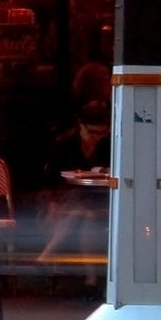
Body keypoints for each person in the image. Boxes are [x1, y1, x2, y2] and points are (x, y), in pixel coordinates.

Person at [37, 101, 112, 265]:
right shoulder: (65, 144)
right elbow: (50, 181)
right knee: (85, 211)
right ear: (81, 125)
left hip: (102, 199)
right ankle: (91, 280)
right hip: (67, 200)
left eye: (102, 133)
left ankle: (48, 252)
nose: (97, 138)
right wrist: (53, 205)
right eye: (92, 133)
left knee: (86, 211)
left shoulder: (110, 144)